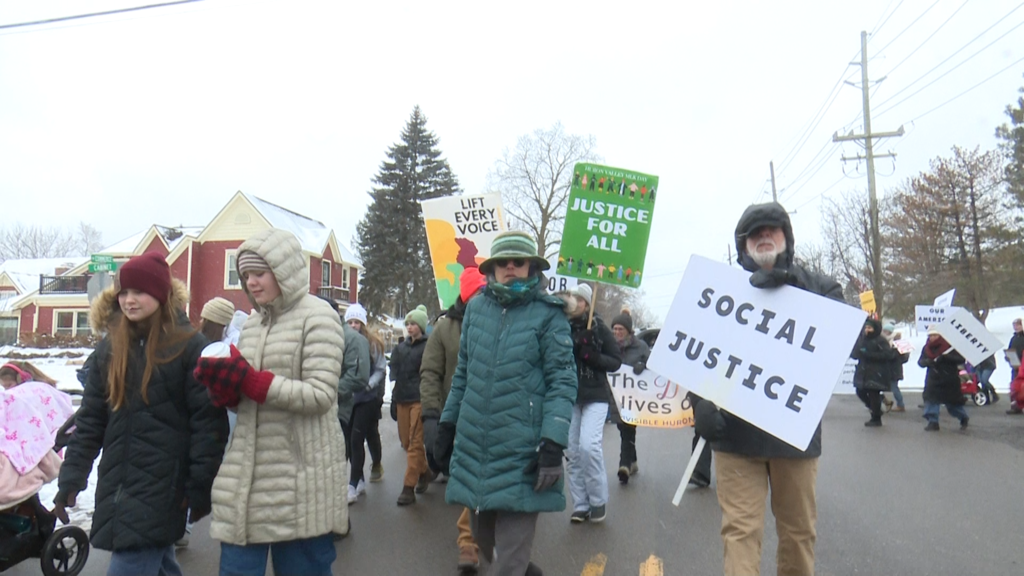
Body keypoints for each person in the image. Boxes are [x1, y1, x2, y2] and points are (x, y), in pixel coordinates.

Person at [693, 202, 844, 576]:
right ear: (742, 246)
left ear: (786, 238)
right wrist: (699, 404)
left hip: (794, 438)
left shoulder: (822, 288)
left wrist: (793, 292)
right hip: (735, 437)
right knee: (739, 533)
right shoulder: (718, 295)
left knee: (798, 533)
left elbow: (846, 344)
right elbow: (696, 354)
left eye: (771, 230)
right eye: (754, 233)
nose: (764, 237)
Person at [54, 252, 228, 576]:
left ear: (160, 295)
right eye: (124, 293)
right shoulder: (110, 349)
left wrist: (200, 484)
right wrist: (71, 479)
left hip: (164, 488)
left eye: (139, 292)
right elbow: (91, 421)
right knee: (157, 563)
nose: (129, 301)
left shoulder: (189, 346)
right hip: (118, 484)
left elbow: (208, 424)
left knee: (131, 562)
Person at [193, 229, 347, 576]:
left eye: (259, 273)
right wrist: (226, 390)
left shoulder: (318, 317)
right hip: (247, 476)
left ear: (284, 271)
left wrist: (253, 382)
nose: (251, 283)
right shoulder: (252, 325)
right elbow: (249, 397)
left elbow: (321, 394)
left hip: (300, 478)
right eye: (246, 275)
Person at [433, 231, 577, 576]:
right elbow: (463, 374)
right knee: (485, 543)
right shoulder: (476, 308)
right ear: (492, 268)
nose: (510, 266)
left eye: (519, 261)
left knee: (507, 564)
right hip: (477, 451)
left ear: (531, 267)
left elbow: (562, 381)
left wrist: (553, 442)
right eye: (503, 261)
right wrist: (446, 424)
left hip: (524, 453)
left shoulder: (548, 315)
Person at [419, 266, 487, 572]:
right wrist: (432, 414)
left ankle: (497, 541)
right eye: (474, 296)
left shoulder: (501, 321)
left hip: (498, 415)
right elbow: (431, 373)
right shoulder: (445, 329)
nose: (479, 302)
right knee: (470, 479)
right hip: (458, 414)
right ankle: (468, 543)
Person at [177, 297, 246, 548]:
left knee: (213, 466)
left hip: (223, 413)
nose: (202, 322)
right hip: (214, 412)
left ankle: (191, 522)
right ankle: (187, 523)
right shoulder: (201, 344)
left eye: (206, 319)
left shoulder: (228, 346)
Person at [565, 283, 621, 523]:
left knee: (589, 446)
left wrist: (592, 355)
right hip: (569, 395)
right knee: (572, 451)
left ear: (586, 303)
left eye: (578, 299)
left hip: (595, 396)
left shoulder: (598, 328)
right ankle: (580, 504)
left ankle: (598, 500)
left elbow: (615, 360)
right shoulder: (561, 327)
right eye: (571, 298)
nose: (573, 302)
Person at [344, 303, 388, 498]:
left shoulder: (372, 344)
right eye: (350, 322)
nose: (353, 325)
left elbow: (380, 368)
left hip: (367, 398)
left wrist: (369, 385)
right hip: (348, 399)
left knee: (357, 439)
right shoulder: (343, 341)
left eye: (357, 322)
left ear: (363, 323)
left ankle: (352, 484)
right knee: (347, 442)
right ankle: (359, 478)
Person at [389, 304, 431, 506]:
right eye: (408, 323)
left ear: (421, 326)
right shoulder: (400, 348)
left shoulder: (428, 347)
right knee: (406, 442)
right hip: (402, 398)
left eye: (413, 323)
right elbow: (394, 373)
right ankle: (424, 471)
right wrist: (394, 398)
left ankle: (408, 488)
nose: (410, 327)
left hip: (419, 399)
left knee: (415, 443)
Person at [609, 309, 648, 485]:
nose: (617, 333)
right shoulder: (609, 346)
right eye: (614, 329)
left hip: (634, 397)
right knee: (622, 427)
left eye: (620, 329)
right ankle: (632, 461)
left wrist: (643, 365)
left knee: (628, 428)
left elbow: (653, 365)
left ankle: (624, 465)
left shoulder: (640, 347)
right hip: (615, 396)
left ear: (629, 331)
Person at [918, 327, 969, 431]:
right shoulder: (927, 348)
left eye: (934, 335)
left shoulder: (950, 347)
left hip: (949, 379)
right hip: (933, 378)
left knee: (952, 404)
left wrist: (947, 358)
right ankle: (933, 422)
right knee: (931, 400)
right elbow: (920, 361)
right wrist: (927, 362)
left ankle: (963, 417)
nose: (932, 338)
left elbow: (961, 359)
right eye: (930, 336)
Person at [852, 318, 898, 427]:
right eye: (866, 328)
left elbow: (887, 355)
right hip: (863, 371)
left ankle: (876, 418)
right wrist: (857, 352)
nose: (867, 330)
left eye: (870, 328)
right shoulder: (862, 339)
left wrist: (869, 354)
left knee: (874, 395)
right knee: (860, 392)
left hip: (876, 372)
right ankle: (875, 410)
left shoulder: (880, 340)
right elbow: (855, 353)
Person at [884, 328, 910, 413]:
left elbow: (890, 356)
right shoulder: (901, 345)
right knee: (891, 387)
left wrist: (891, 350)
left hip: (893, 370)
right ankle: (893, 403)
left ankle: (900, 405)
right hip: (895, 369)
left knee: (894, 388)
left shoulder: (895, 346)